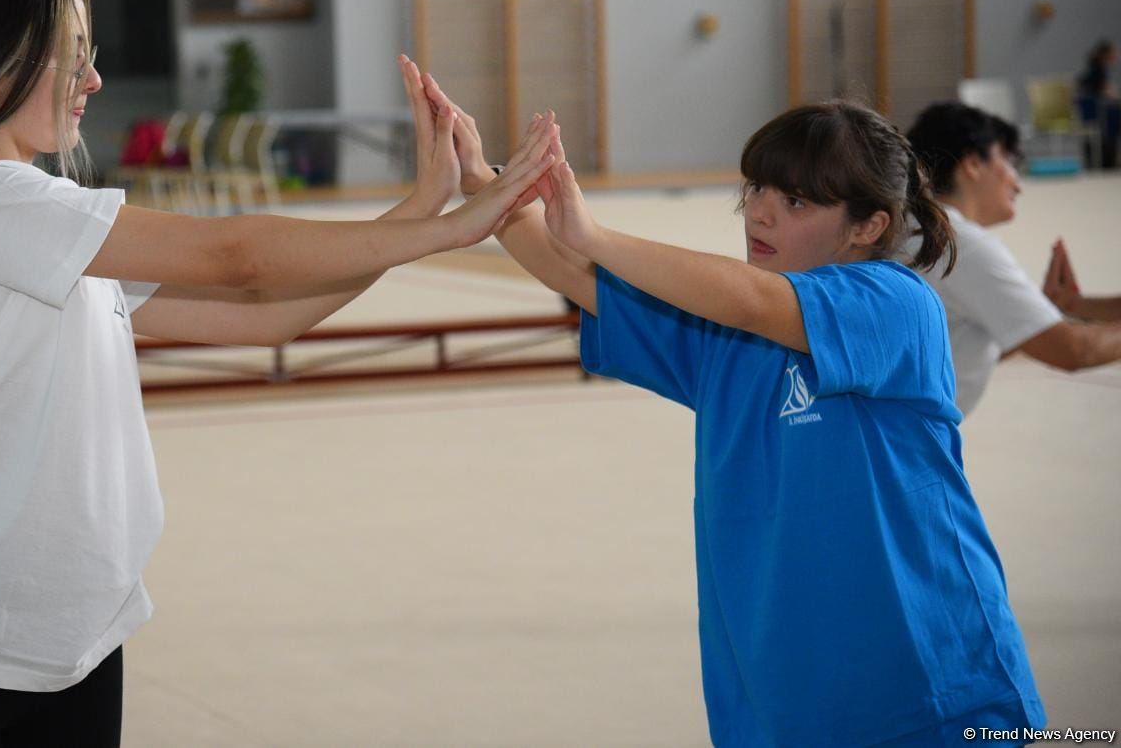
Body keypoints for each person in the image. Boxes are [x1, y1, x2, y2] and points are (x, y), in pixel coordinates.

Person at [0, 0, 555, 747]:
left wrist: (417, 213)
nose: (95, 80)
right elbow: (236, 258)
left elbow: (264, 316)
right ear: (3, 60)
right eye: (74, 56)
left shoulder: (40, 220)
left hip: (70, 645)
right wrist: (448, 228)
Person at [413, 59, 1044, 746]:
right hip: (779, 709)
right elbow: (572, 271)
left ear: (869, 227)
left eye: (798, 202)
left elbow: (748, 297)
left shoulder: (895, 303)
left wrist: (593, 233)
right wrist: (482, 182)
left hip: (932, 697)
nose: (763, 211)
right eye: (759, 189)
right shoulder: (721, 338)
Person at [906, 100, 1121, 415]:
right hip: (900, 448)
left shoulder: (913, 229)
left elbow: (960, 344)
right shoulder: (959, 243)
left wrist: (1057, 313)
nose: (1017, 184)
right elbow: (1074, 351)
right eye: (1007, 162)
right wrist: (1053, 326)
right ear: (972, 164)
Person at [1075, 38, 1118, 168]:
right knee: (1114, 119)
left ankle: (1105, 159)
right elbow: (1104, 91)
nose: (1117, 56)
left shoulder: (1093, 67)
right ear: (1107, 54)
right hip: (1096, 110)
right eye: (1114, 53)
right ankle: (1109, 160)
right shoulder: (1099, 69)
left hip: (1090, 111)